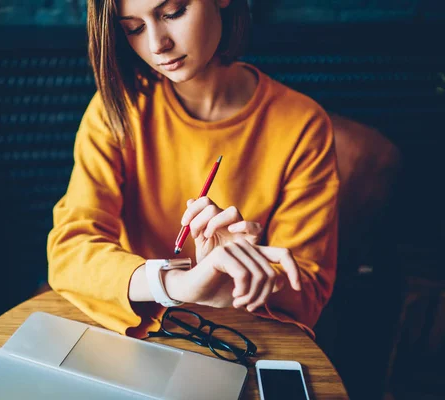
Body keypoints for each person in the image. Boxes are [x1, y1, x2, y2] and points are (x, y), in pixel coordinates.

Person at [47, 0, 339, 339]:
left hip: (239, 340)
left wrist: (235, 278)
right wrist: (178, 284)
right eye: (134, 29)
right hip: (136, 334)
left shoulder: (302, 124)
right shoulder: (117, 111)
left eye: (172, 13)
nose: (158, 45)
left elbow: (307, 291)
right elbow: (69, 251)